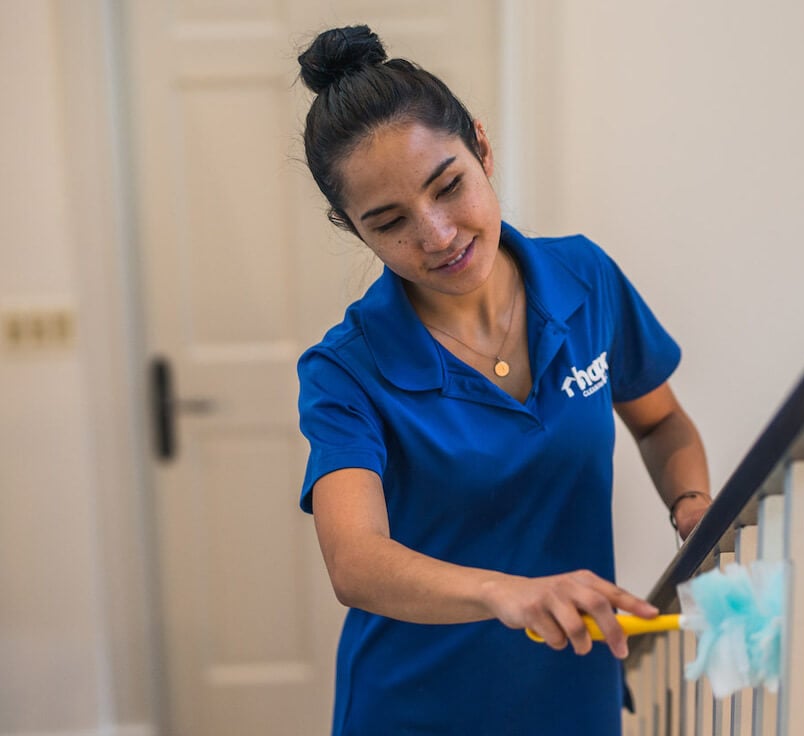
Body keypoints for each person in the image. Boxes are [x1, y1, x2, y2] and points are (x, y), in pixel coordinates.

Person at [294, 25, 713, 735]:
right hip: (415, 708)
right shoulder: (346, 369)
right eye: (390, 222)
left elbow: (661, 421)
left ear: (482, 148)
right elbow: (355, 561)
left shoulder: (586, 279)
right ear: (352, 228)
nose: (437, 235)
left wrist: (694, 506)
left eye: (448, 186)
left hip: (574, 692)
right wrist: (504, 592)